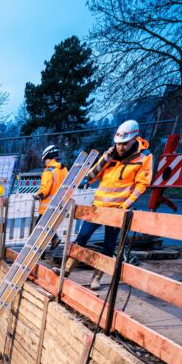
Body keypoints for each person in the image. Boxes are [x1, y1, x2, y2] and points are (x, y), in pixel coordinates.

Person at [66, 120, 153, 289]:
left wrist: (125, 205)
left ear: (134, 139)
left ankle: (96, 278)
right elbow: (91, 177)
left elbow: (141, 185)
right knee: (82, 237)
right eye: (118, 143)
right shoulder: (110, 155)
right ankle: (67, 268)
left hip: (117, 210)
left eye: (124, 144)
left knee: (109, 245)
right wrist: (104, 160)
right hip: (98, 206)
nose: (120, 147)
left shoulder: (143, 159)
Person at [35, 144, 67, 256]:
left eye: (45, 160)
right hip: (60, 204)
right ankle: (54, 239)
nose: (45, 163)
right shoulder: (63, 170)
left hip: (47, 206)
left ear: (48, 158)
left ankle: (41, 251)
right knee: (46, 227)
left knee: (38, 228)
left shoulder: (49, 171)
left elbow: (45, 188)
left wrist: (38, 195)